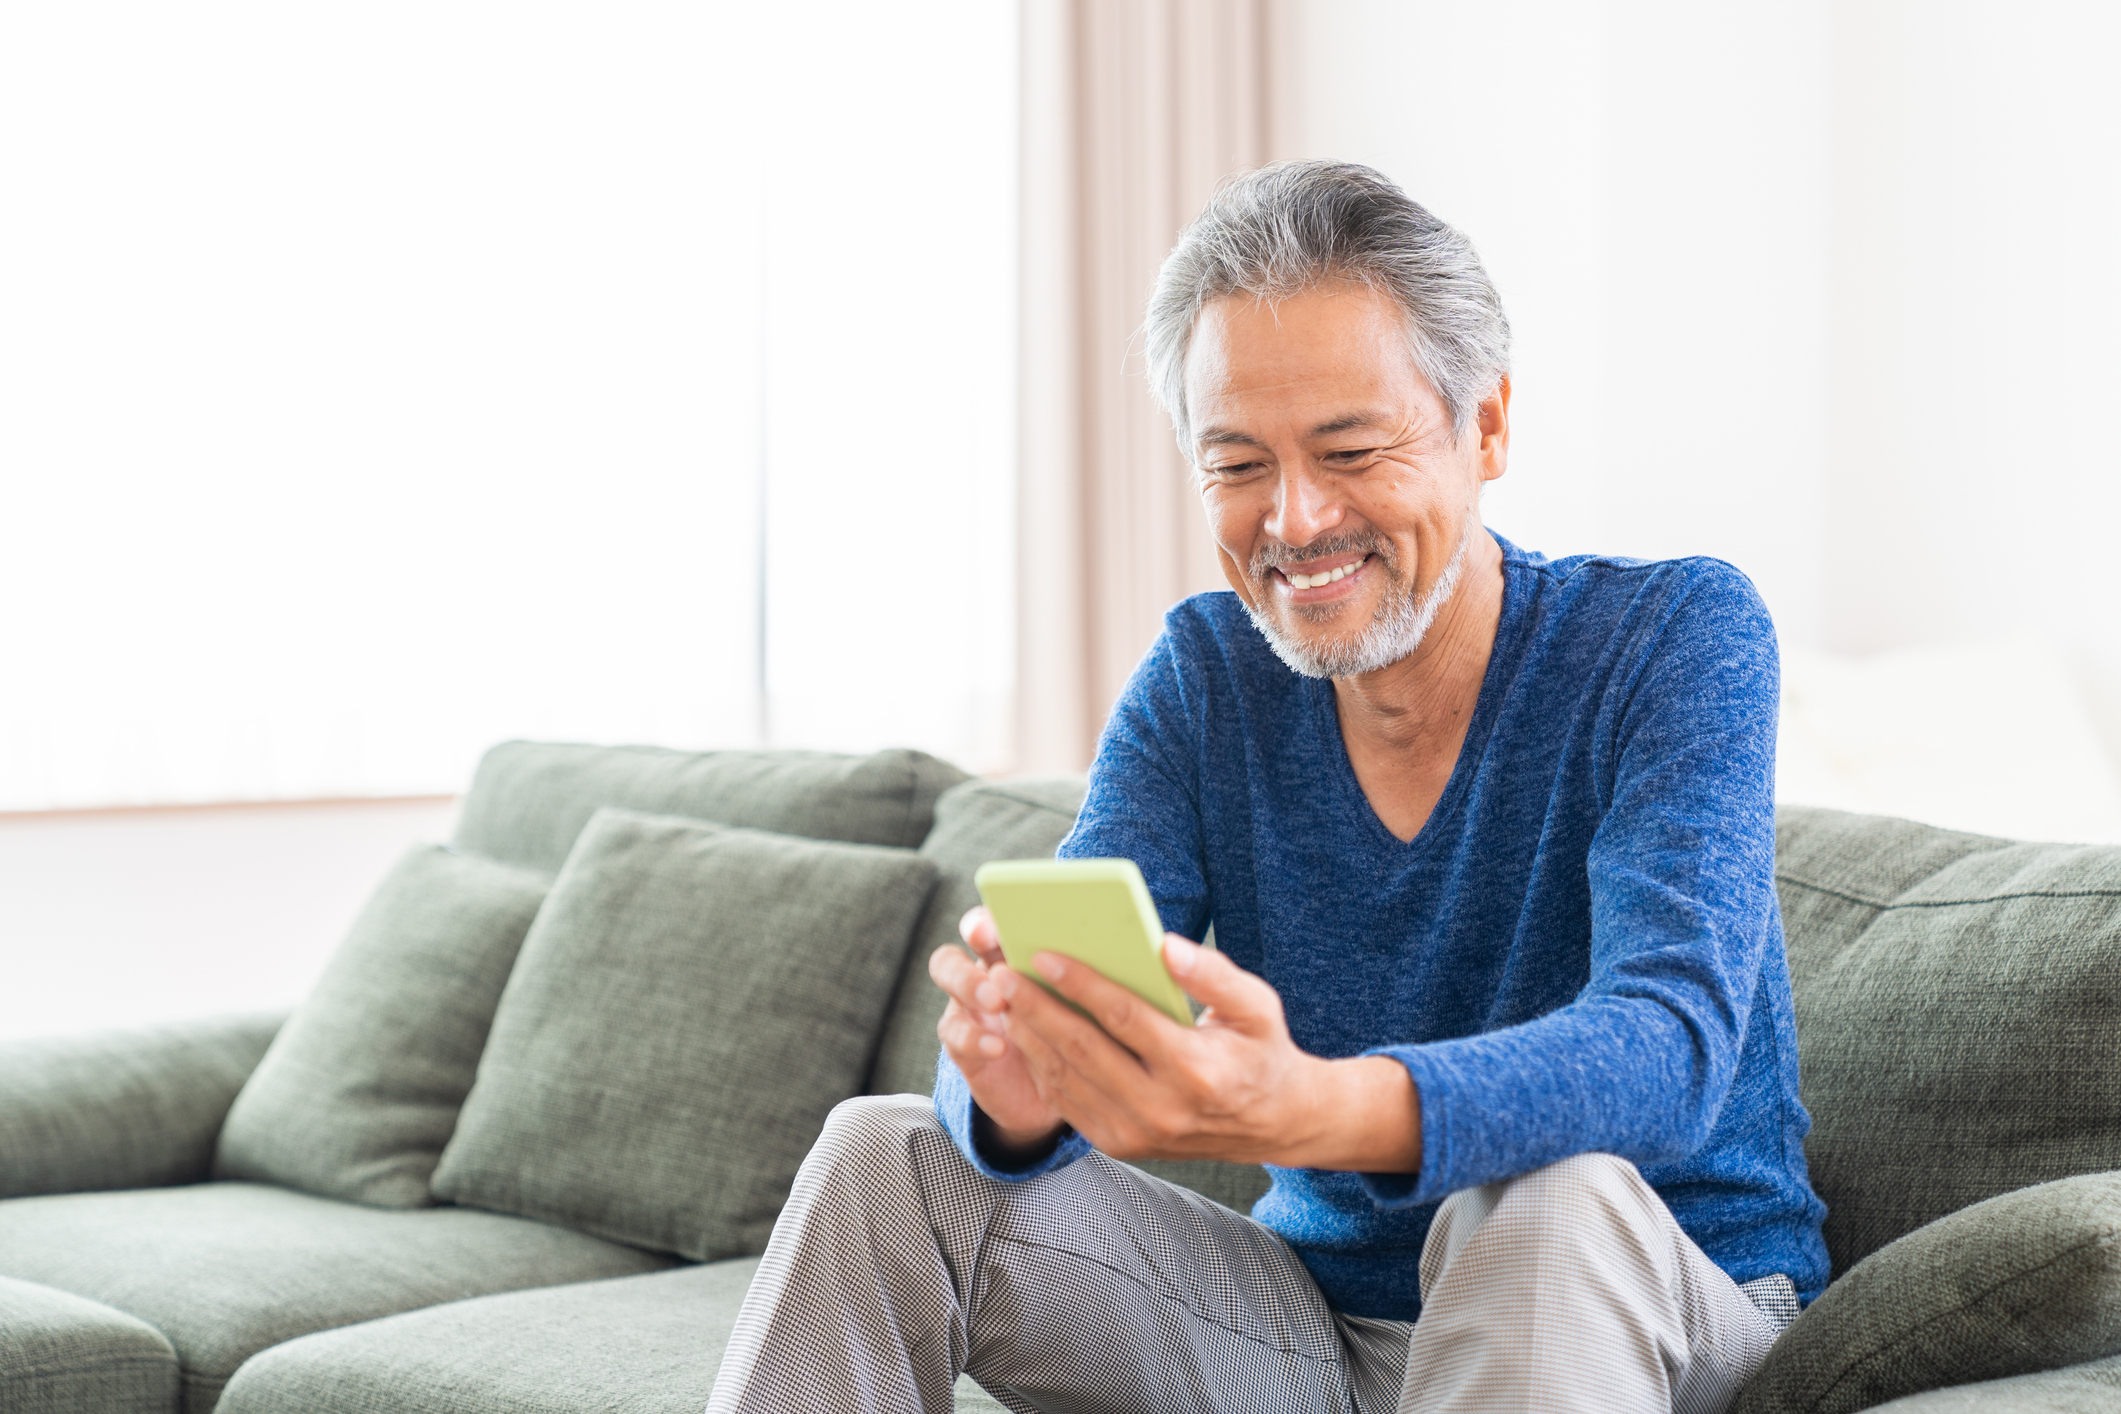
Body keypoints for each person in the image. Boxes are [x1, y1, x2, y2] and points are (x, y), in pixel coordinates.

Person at [706, 160, 1828, 1414]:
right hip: (1314, 1330)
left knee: (1544, 1197)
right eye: (1236, 464)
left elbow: (1667, 1053)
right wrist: (1019, 1094)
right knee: (887, 1154)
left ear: (1489, 426)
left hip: (1646, 1302)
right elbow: (1044, 1012)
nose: (1293, 520)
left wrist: (1313, 1105)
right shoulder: (1207, 677)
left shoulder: (1674, 636)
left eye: (1350, 448)